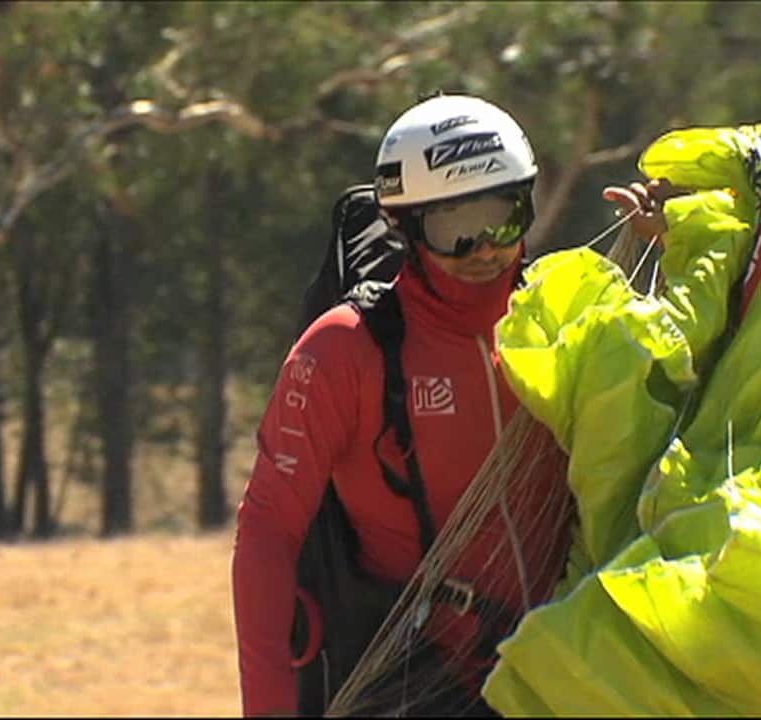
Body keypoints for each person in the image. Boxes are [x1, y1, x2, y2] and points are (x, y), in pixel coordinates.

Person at [232, 93, 562, 717]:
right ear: (405, 228)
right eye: (455, 231)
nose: (486, 247)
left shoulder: (572, 313)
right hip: (418, 679)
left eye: (504, 216)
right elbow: (267, 534)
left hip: (568, 666)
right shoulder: (344, 351)